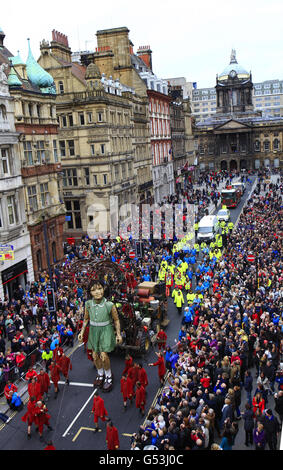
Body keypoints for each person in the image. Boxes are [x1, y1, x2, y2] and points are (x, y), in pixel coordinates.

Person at [78, 280, 122, 392]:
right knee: (94, 355)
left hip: (106, 330)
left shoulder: (109, 305)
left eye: (100, 288)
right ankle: (100, 374)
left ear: (104, 289)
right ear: (90, 292)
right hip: (93, 330)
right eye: (94, 290)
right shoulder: (88, 304)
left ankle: (108, 376)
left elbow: (116, 320)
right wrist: (82, 332)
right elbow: (86, 319)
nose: (97, 292)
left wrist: (118, 334)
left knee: (103, 355)